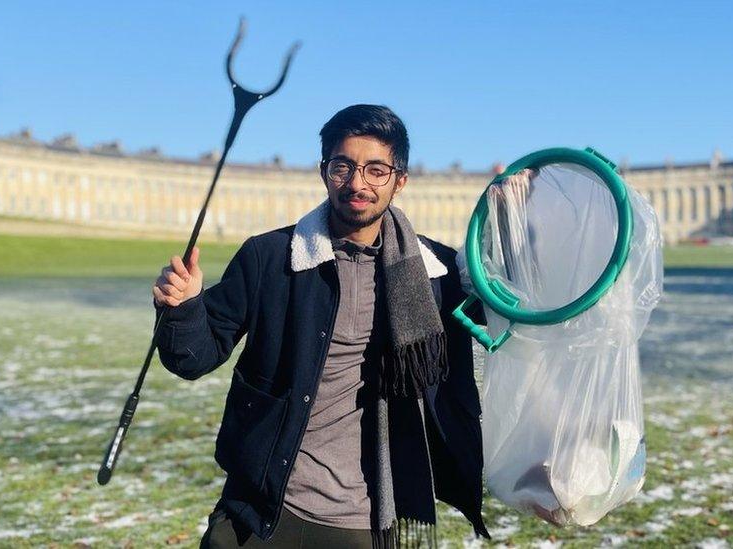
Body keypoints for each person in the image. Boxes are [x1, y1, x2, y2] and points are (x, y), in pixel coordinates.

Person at [152, 104, 490, 548]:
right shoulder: (269, 257)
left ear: (399, 180)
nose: (357, 183)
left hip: (363, 519)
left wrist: (518, 204)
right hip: (262, 507)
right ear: (323, 171)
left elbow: (519, 300)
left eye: (375, 170)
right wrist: (183, 307)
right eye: (343, 167)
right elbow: (191, 358)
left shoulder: (437, 275)